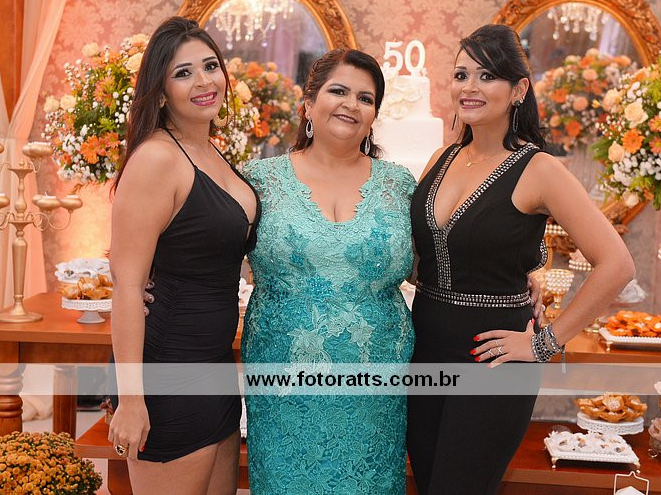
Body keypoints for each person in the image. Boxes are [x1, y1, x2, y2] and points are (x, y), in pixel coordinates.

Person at [406, 24, 635, 494]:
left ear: (519, 89)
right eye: (461, 75)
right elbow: (421, 260)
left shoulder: (540, 169)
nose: (469, 87)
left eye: (487, 75)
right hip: (422, 350)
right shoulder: (440, 159)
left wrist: (543, 344)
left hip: (493, 361)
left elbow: (617, 264)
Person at [241, 48, 417, 493]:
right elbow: (208, 251)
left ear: (374, 116)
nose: (351, 104)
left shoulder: (398, 184)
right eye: (339, 91)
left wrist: (516, 279)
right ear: (308, 103)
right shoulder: (258, 181)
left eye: (365, 98)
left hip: (377, 383)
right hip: (284, 384)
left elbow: (432, 265)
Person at [108, 16, 259, 494]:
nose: (203, 81)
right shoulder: (157, 158)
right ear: (160, 92)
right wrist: (132, 399)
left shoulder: (209, 151)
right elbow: (128, 286)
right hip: (167, 371)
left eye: (210, 66)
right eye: (183, 73)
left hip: (215, 366)